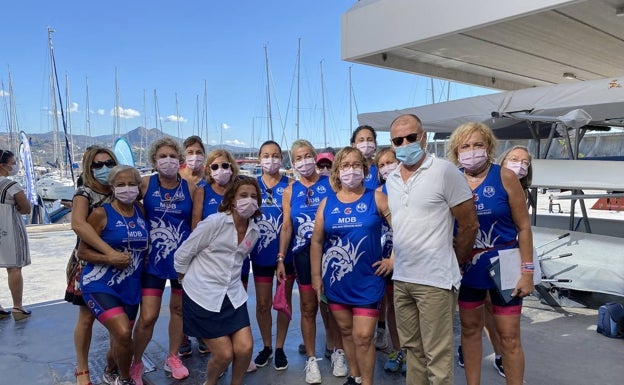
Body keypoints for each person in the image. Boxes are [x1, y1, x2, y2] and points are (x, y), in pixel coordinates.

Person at [386, 114, 478, 385]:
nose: (405, 143)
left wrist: (454, 261)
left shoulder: (444, 171)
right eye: (398, 140)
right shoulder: (391, 180)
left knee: (437, 357)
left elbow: (469, 225)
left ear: (423, 137)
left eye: (411, 137)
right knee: (413, 351)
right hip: (403, 279)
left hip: (435, 282)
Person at [448, 122, 534, 385]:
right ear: (456, 151)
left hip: (505, 264)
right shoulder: (452, 180)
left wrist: (527, 272)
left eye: (478, 145)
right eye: (465, 146)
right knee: (471, 332)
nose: (472, 150)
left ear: (488, 148)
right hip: (467, 267)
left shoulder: (505, 177)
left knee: (508, 337)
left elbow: (523, 227)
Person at [310, 147, 391, 385]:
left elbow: (402, 228)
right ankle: (354, 377)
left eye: (356, 165)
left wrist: (393, 259)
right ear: (337, 171)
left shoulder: (376, 197)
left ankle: (367, 382)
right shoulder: (327, 203)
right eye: (345, 165)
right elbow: (316, 241)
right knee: (346, 333)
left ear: (365, 169)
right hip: (337, 281)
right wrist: (316, 276)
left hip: (368, 279)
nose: (351, 170)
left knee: (364, 336)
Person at [174, 176, 261, 385]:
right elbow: (183, 254)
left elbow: (237, 260)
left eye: (253, 196)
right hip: (202, 295)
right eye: (243, 196)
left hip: (232, 294)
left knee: (245, 348)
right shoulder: (215, 222)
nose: (248, 201)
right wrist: (186, 279)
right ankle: (210, 383)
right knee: (224, 355)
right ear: (232, 199)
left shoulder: (254, 231)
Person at [132, 138, 196, 384]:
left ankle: (172, 356)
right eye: (162, 156)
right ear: (154, 160)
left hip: (181, 261)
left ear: (179, 160)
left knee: (178, 309)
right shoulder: (145, 184)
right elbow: (130, 209)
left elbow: (195, 224)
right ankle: (136, 362)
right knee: (148, 316)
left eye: (172, 156)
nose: (167, 161)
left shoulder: (190, 187)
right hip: (152, 260)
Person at [78, 165, 149, 385]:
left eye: (131, 184)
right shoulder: (101, 214)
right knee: (123, 331)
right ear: (112, 188)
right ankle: (124, 380)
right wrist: (110, 258)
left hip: (130, 286)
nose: (127, 189)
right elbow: (82, 251)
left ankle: (110, 369)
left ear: (138, 187)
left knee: (121, 341)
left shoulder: (140, 211)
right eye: (120, 185)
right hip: (99, 283)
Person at [64, 146, 124, 385]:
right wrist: (109, 253)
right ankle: (82, 369)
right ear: (89, 168)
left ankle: (115, 363)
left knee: (118, 319)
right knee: (87, 317)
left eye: (108, 163)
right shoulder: (84, 193)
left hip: (121, 268)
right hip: (88, 264)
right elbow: (78, 225)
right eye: (97, 165)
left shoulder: (121, 190)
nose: (104, 168)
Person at [276, 139, 333, 384]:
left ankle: (335, 348)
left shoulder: (331, 182)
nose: (304, 161)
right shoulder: (290, 190)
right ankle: (311, 359)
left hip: (330, 252)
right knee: (308, 307)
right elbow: (287, 226)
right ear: (293, 162)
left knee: (331, 305)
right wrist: (280, 257)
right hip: (301, 255)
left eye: (308, 155)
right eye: (298, 158)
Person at [250, 141, 296, 371]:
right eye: (266, 155)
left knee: (283, 303)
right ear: (259, 159)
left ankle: (279, 347)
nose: (271, 159)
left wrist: (282, 255)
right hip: (259, 256)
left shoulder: (291, 185)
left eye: (276, 155)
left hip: (285, 256)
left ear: (281, 159)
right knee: (262, 304)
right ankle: (267, 346)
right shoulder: (251, 185)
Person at [373, 147, 405, 374]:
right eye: (381, 164)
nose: (387, 167)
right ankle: (398, 350)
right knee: (392, 307)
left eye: (390, 162)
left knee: (410, 308)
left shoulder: (409, 189)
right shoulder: (377, 193)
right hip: (385, 258)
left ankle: (416, 353)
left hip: (411, 257)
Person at [0, 150, 32, 321]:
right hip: (8, 228)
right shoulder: (10, 185)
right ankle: (17, 307)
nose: (14, 165)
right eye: (13, 162)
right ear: (3, 165)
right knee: (13, 267)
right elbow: (26, 208)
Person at [350, 125, 381, 190]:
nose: (366, 143)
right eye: (361, 140)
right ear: (353, 145)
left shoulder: (381, 166)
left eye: (370, 140)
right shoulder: (348, 169)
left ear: (375, 144)